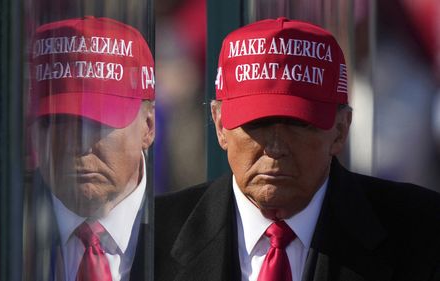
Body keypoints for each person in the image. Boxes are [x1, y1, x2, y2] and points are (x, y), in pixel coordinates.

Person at [155, 17, 440, 281]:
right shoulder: (149, 237)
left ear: (340, 129)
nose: (276, 148)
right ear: (220, 125)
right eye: (256, 123)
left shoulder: (423, 232)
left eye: (298, 124)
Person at [24, 17, 155, 281]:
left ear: (148, 126)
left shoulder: (203, 230)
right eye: (59, 122)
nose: (79, 145)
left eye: (98, 123)